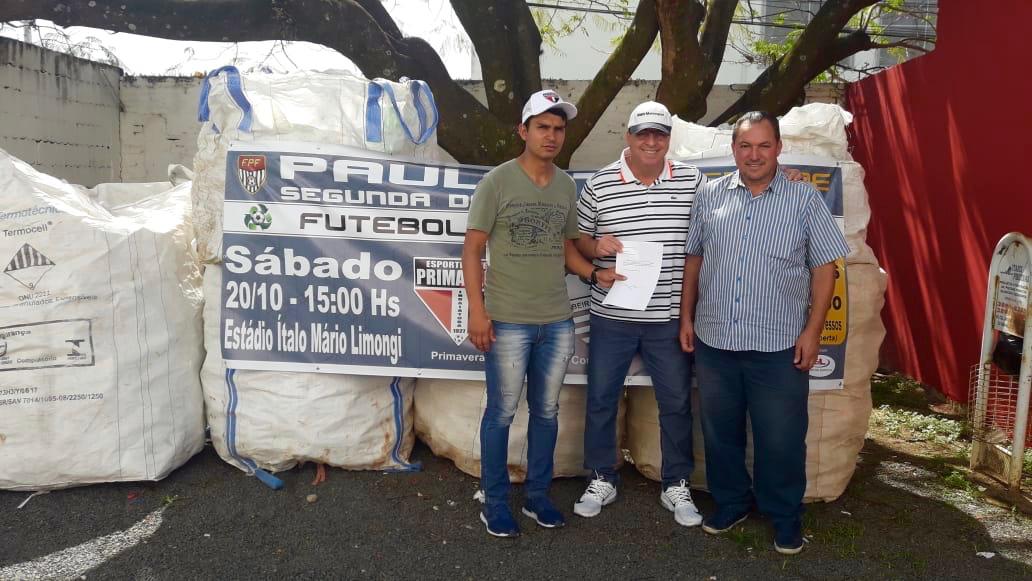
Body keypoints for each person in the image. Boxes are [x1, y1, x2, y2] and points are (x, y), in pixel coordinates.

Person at [678, 111, 850, 554]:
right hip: (716, 342)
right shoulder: (710, 196)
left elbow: (824, 267)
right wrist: (686, 318)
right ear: (733, 149)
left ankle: (784, 516)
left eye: (763, 145)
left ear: (778, 148)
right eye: (745, 146)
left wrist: (814, 331)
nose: (754, 155)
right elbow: (693, 260)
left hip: (778, 347)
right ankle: (732, 502)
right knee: (720, 433)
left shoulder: (804, 199)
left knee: (780, 437)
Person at [462, 89, 621, 538]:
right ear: (524, 131)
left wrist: (595, 275)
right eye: (543, 127)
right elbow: (472, 250)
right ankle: (494, 502)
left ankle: (536, 496)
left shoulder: (568, 186)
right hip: (508, 318)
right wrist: (478, 311)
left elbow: (567, 250)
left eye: (558, 128)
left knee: (547, 412)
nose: (552, 136)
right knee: (501, 413)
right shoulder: (496, 182)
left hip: (555, 321)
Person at [571, 101, 706, 527]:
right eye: (643, 133)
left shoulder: (692, 181)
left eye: (660, 134)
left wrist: (790, 176)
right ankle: (601, 476)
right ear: (627, 137)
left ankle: (676, 483)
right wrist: (599, 251)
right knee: (600, 399)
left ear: (669, 139)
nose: (651, 141)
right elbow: (578, 241)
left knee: (676, 402)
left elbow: (728, 204)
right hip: (612, 315)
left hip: (667, 318)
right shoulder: (600, 184)